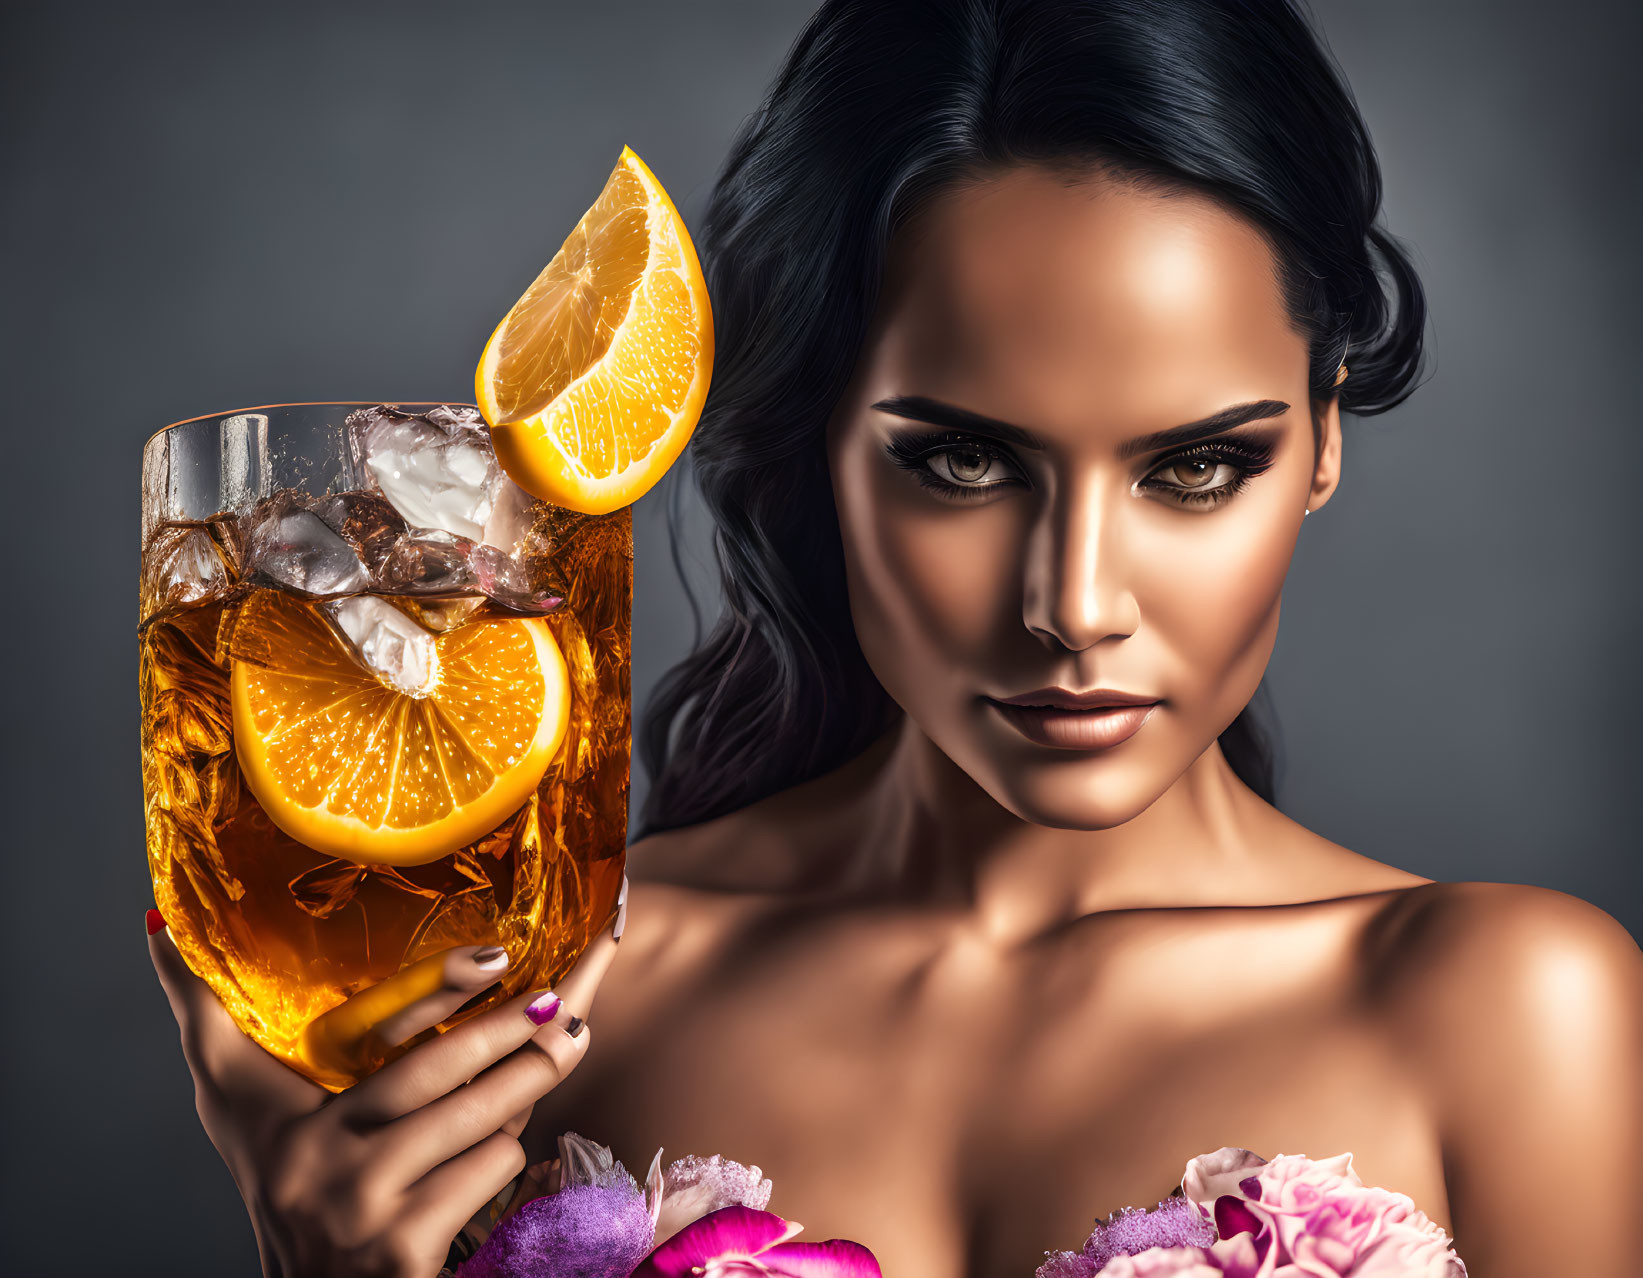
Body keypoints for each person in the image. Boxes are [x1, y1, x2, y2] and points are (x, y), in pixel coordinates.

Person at [150, 1, 1643, 1275]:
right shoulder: (556, 996)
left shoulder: (1512, 1012)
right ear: (816, 443)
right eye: (965, 463)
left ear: (1322, 440)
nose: (1072, 601)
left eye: (1195, 467)